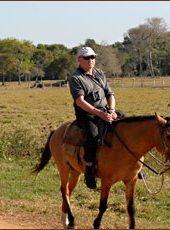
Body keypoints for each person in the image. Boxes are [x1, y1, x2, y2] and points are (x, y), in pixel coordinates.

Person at [68, 47, 124, 190]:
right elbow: (80, 101)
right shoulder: (76, 78)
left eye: (92, 57)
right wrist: (100, 114)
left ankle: (131, 164)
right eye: (87, 58)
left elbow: (110, 94)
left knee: (126, 125)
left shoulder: (99, 73)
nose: (91, 60)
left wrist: (111, 110)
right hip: (87, 114)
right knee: (93, 136)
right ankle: (89, 171)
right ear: (79, 59)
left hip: (105, 110)